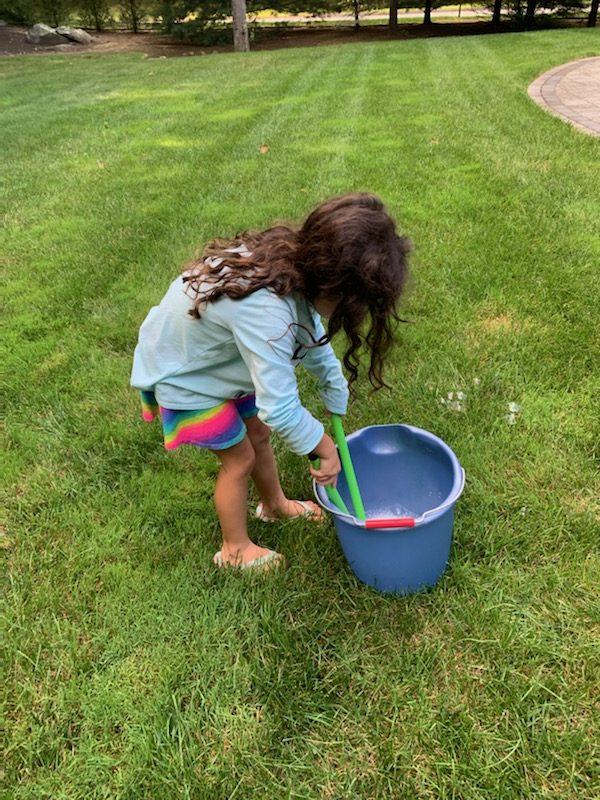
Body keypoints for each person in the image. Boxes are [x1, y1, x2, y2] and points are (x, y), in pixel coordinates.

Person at [131, 193, 411, 570]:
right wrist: (323, 447)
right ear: (334, 286)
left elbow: (309, 334)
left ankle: (275, 506)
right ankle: (234, 550)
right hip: (187, 376)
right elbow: (280, 406)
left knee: (257, 432)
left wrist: (334, 386)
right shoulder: (265, 312)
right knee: (239, 458)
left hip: (223, 362)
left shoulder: (296, 271)